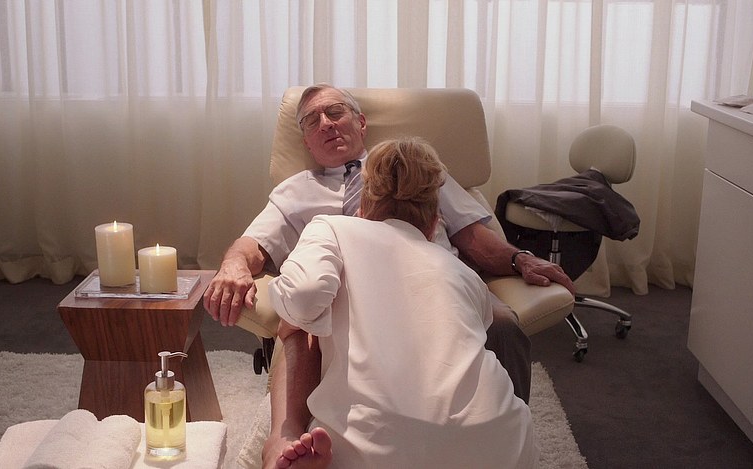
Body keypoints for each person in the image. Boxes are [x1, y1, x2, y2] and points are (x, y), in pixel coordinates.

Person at [202, 84, 573, 465]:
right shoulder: (294, 191)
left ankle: (482, 419)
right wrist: (234, 265)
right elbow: (253, 244)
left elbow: (473, 236)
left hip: (439, 283)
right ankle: (289, 437)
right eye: (312, 121)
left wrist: (520, 259)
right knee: (305, 321)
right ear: (306, 142)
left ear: (361, 123)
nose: (326, 124)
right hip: (342, 291)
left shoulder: (413, 169)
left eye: (335, 112)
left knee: (503, 323)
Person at [267, 137, 539, 468]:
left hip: (371, 445)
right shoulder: (465, 276)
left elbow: (305, 295)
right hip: (500, 441)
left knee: (296, 323)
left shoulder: (333, 228)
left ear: (362, 208)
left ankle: (284, 438)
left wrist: (295, 315)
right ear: (434, 223)